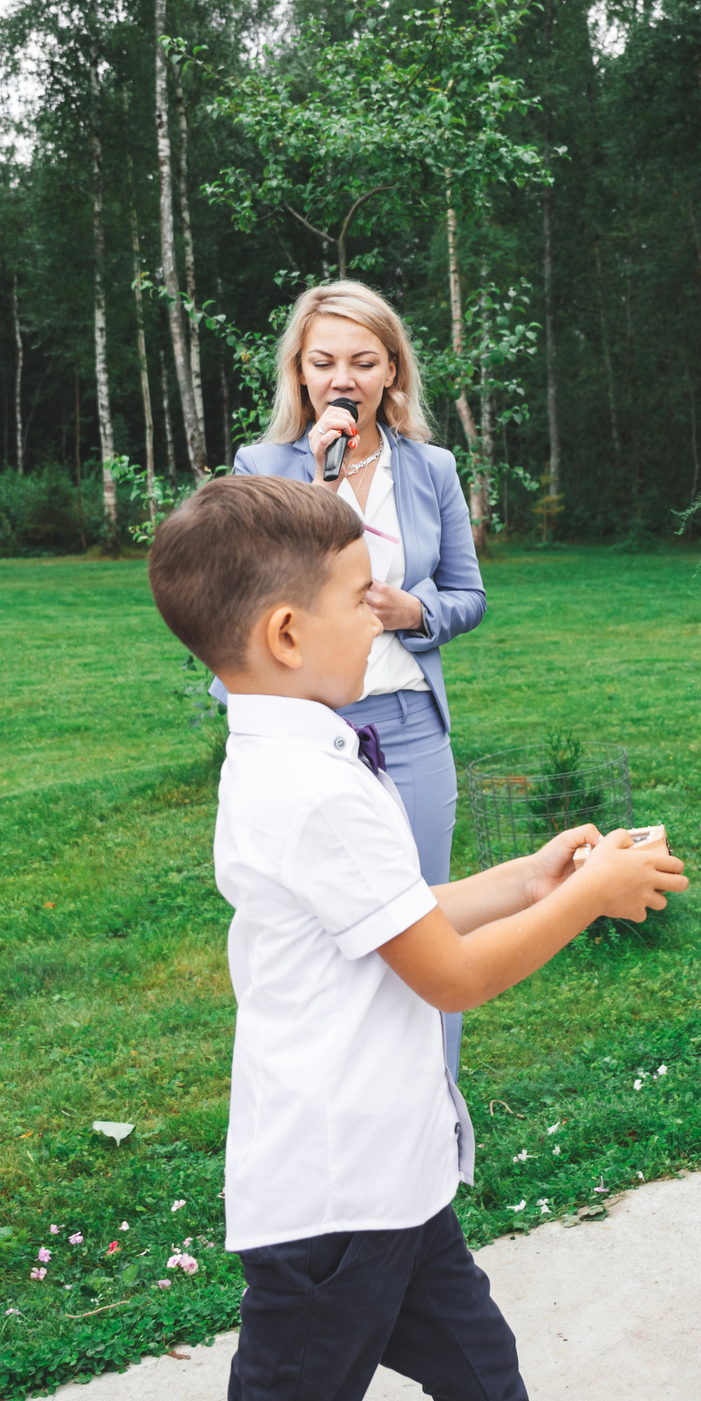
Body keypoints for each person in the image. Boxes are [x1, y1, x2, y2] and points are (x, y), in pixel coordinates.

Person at [147, 474, 684, 1401]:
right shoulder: (312, 790)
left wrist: (527, 878)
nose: (382, 615)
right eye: (360, 598)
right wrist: (587, 899)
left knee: (483, 1379)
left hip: (391, 1179)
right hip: (338, 1208)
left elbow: (393, 915)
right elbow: (451, 977)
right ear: (285, 635)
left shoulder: (289, 760)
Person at [227, 281, 485, 1073]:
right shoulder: (260, 466)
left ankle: (439, 1110)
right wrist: (319, 485)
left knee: (431, 922)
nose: (344, 378)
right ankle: (345, 1097)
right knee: (323, 938)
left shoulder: (432, 468)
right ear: (300, 373)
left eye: (364, 362)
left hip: (408, 724)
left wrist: (417, 610)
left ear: (392, 371)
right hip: (308, 732)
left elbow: (469, 594)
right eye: (324, 362)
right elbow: (255, 603)